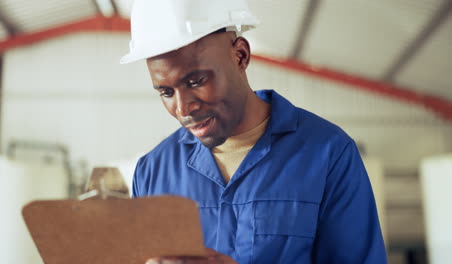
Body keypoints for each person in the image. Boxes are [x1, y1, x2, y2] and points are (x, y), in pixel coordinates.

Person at [122, 0, 387, 263]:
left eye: (196, 81)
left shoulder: (328, 154)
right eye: (166, 92)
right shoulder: (152, 171)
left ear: (240, 56)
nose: (182, 108)